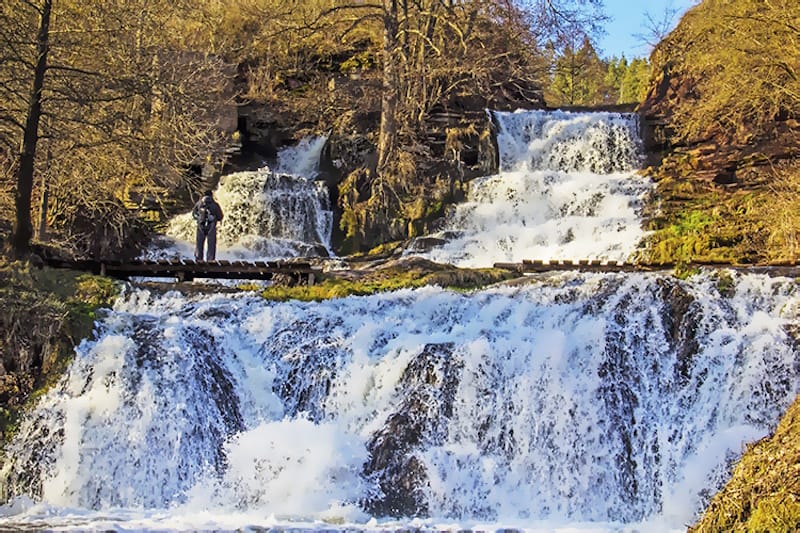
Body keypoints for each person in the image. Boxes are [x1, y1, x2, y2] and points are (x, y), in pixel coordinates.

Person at [192, 190, 224, 261]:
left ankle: (198, 259)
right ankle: (210, 260)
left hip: (201, 225)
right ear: (212, 195)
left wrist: (198, 218)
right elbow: (220, 216)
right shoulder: (215, 205)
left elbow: (194, 214)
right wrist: (214, 217)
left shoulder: (199, 203)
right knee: (211, 245)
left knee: (199, 243)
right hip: (211, 226)